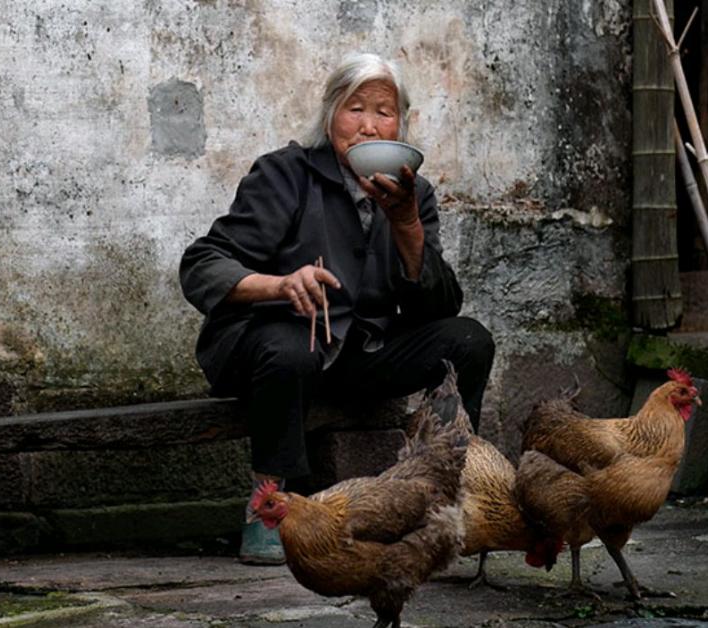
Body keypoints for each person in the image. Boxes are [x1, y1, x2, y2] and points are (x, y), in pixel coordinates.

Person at [178, 52, 495, 565]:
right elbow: (202, 263)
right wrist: (279, 285)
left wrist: (407, 223)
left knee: (468, 339)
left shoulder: (414, 193)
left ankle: (444, 493)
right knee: (291, 347)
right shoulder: (286, 173)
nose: (369, 125)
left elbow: (437, 306)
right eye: (355, 109)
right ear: (330, 116)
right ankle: (268, 504)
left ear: (401, 125)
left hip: (360, 351)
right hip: (278, 350)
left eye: (384, 112)